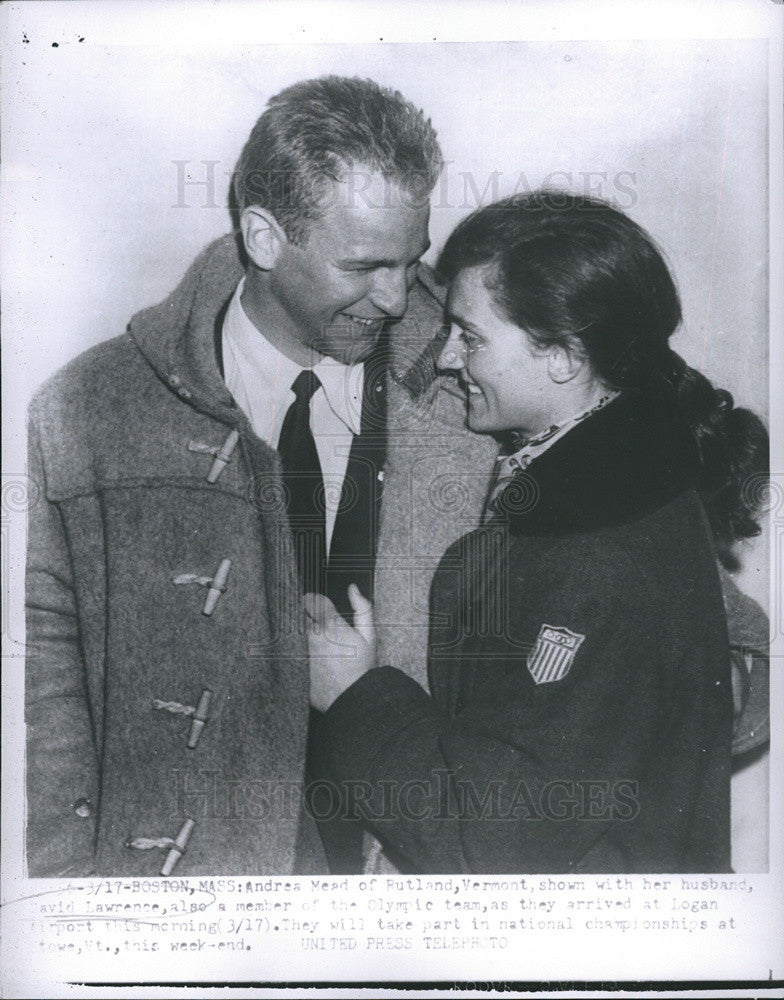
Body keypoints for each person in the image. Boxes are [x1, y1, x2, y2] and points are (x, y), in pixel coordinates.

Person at [24, 76, 498, 877]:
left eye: (412, 258)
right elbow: (39, 706)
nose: (396, 297)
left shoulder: (486, 379)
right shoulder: (86, 412)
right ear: (265, 237)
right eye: (364, 265)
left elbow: (679, 632)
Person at [307, 191, 769, 874]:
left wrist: (355, 695)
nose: (445, 362)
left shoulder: (599, 558)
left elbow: (494, 840)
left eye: (471, 337)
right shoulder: (614, 486)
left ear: (561, 356)